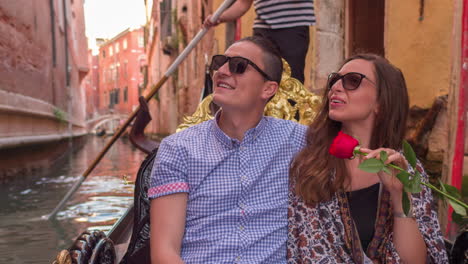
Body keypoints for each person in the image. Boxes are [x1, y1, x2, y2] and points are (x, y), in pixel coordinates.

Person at [148, 36, 307, 263]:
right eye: (220, 62)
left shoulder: (298, 139)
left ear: (268, 89)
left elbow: (354, 166)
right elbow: (165, 253)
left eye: (238, 66)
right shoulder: (178, 148)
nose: (221, 71)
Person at [287, 54, 449, 263]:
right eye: (334, 79)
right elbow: (305, 250)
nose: (335, 86)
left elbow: (415, 261)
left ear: (381, 102)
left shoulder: (404, 168)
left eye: (352, 81)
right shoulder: (310, 166)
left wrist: (399, 197)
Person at [204, 0, 315, 84]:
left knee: (291, 80)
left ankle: (291, 114)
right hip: (262, 28)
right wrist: (219, 18)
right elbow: (242, 4)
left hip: (292, 26)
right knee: (257, 76)